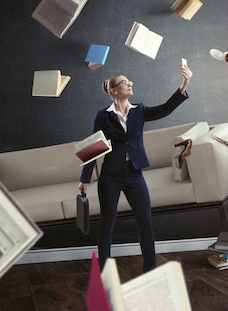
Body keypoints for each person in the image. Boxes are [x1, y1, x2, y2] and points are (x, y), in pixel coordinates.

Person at [79, 65, 193, 272]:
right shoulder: (102, 116)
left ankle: (149, 271)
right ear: (114, 90)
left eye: (129, 81)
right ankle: (104, 272)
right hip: (110, 177)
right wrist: (84, 180)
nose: (130, 83)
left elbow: (165, 109)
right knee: (107, 225)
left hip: (134, 174)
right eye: (125, 82)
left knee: (145, 224)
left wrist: (183, 85)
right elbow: (91, 147)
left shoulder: (139, 111)